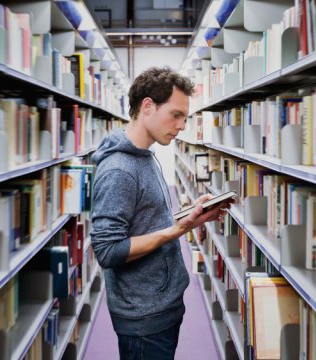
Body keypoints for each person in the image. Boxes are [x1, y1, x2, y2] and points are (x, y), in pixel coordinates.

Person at [89, 67, 232, 359]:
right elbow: (107, 250)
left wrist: (193, 216)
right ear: (148, 106)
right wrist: (178, 230)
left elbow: (146, 222)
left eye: (185, 117)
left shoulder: (145, 155)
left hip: (161, 304)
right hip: (144, 317)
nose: (181, 126)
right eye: (176, 115)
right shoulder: (119, 170)